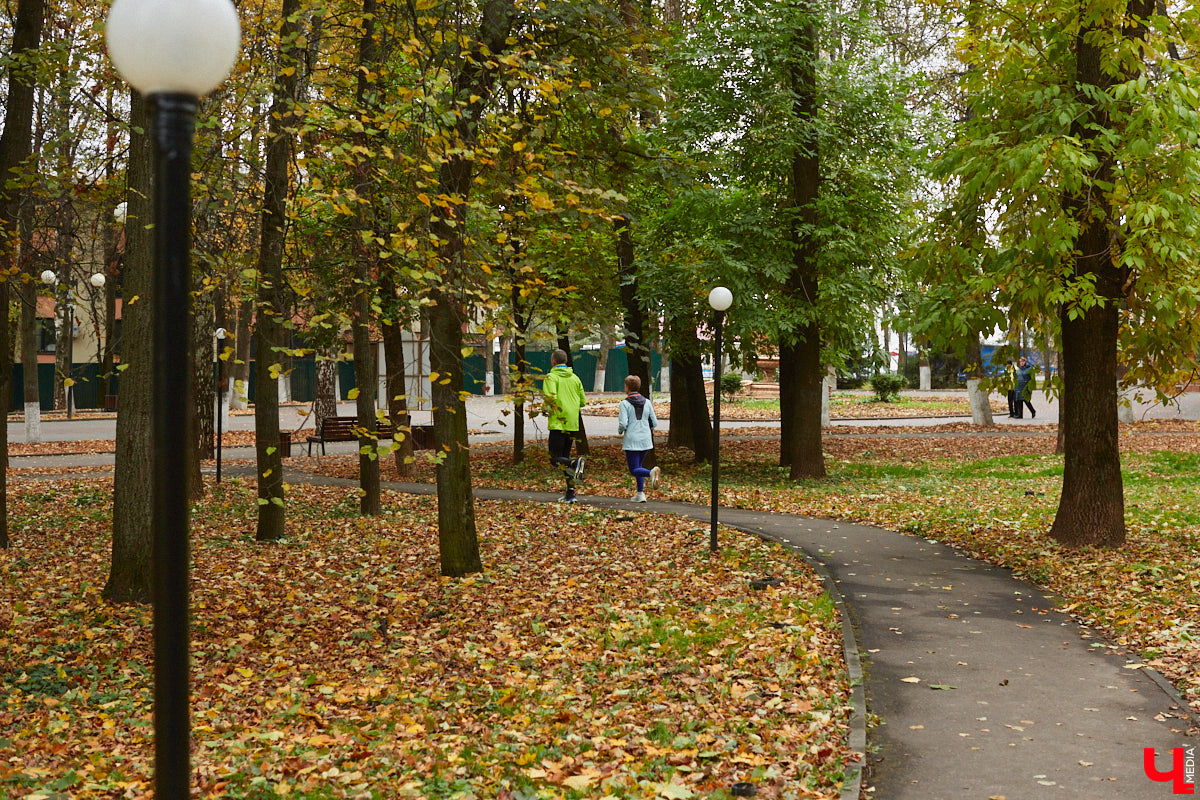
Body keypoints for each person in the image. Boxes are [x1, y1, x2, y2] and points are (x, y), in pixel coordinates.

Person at [542, 349, 587, 502]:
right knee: (564, 458)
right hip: (572, 423)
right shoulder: (575, 378)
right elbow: (582, 402)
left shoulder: (551, 377)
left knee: (555, 459)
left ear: (553, 361)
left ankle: (575, 463)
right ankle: (571, 494)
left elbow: (550, 399)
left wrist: (544, 410)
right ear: (566, 361)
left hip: (557, 422)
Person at [618, 375, 660, 502]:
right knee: (639, 466)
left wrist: (620, 431)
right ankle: (640, 494)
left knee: (634, 469)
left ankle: (651, 473)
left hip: (632, 440)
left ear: (627, 387)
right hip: (646, 440)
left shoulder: (624, 404)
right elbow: (654, 422)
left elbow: (623, 424)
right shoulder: (647, 402)